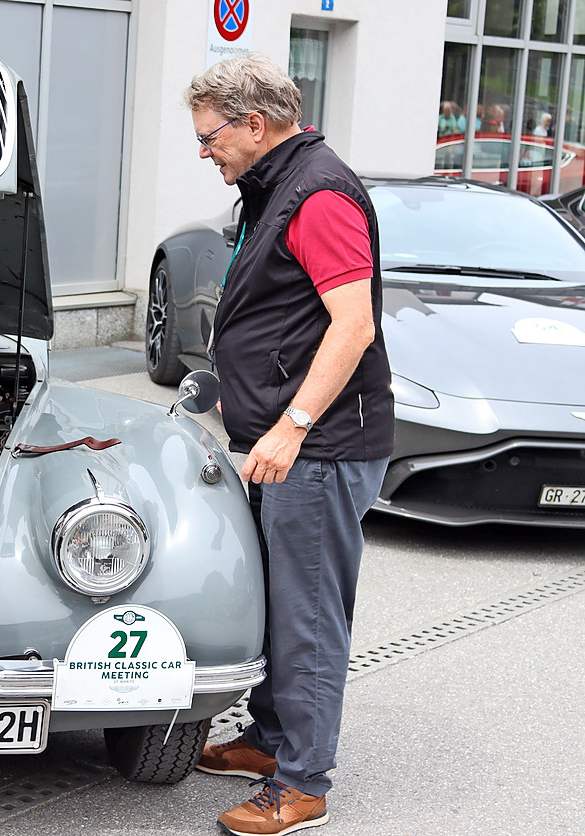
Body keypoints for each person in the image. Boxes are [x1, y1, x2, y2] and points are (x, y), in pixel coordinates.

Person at [183, 54, 394, 835]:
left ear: (254, 124)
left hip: (321, 446)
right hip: (289, 440)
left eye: (209, 136)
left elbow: (353, 325)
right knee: (278, 603)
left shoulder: (319, 195)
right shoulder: (277, 186)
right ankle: (270, 741)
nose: (203, 151)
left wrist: (292, 424)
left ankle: (303, 784)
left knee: (307, 617)